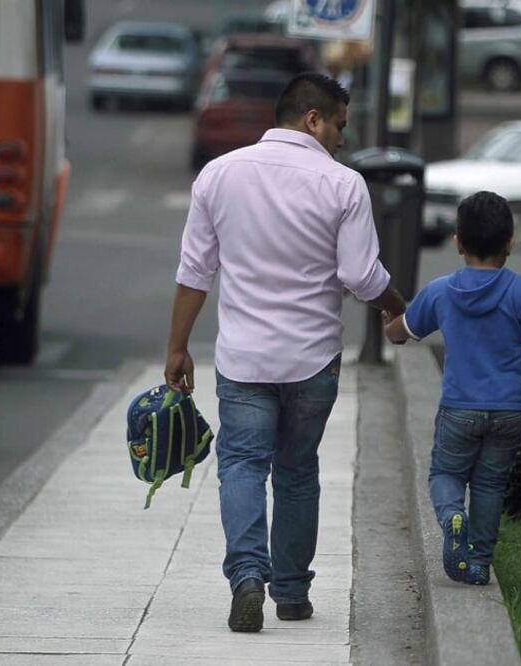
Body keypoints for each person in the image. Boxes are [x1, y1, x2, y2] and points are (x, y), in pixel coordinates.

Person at [164, 72, 406, 633]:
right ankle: (292, 594)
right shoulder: (344, 185)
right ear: (312, 119)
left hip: (244, 358)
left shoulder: (219, 175)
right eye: (340, 125)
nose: (343, 139)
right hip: (312, 358)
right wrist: (398, 307)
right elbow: (359, 274)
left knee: (243, 465)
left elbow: (195, 272)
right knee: (297, 471)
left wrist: (177, 349)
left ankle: (248, 576)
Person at [384, 191, 521, 586]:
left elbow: (402, 333)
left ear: (458, 242)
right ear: (510, 242)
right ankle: (479, 561)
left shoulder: (441, 291)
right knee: (489, 483)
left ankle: (451, 517)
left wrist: (390, 322)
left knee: (445, 473)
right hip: (510, 409)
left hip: (459, 408)